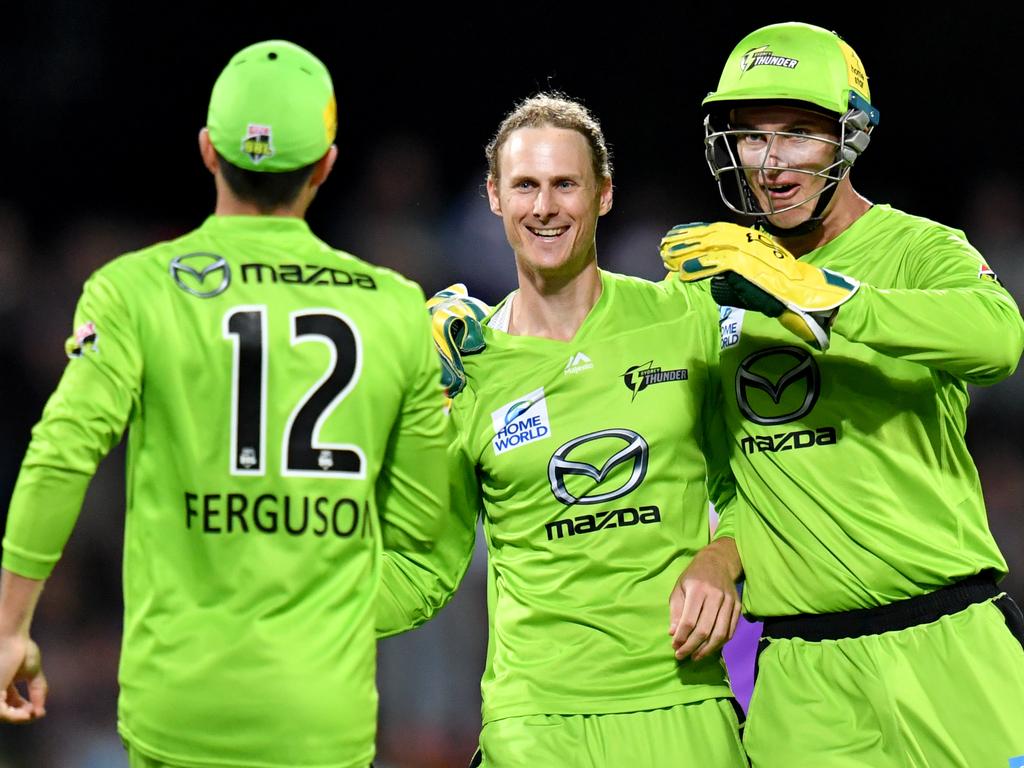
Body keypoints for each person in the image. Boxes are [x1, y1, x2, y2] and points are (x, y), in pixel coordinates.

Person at [0, 40, 448, 768]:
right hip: (318, 716)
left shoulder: (133, 289)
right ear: (327, 165)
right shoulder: (396, 309)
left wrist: (11, 628)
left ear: (209, 151)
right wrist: (325, 611)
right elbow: (428, 534)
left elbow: (60, 451)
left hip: (177, 707)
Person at [659, 21, 1024, 766]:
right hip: (804, 678)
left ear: (850, 138)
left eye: (798, 133)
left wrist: (818, 296)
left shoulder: (920, 248)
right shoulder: (709, 280)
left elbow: (998, 341)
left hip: (949, 642)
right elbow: (724, 472)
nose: (770, 161)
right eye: (750, 136)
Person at [377, 93, 747, 767]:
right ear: (494, 198)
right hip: (535, 725)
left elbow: (759, 480)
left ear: (604, 194)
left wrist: (724, 558)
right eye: (525, 185)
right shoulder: (466, 367)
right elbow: (427, 567)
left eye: (564, 184)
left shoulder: (685, 320)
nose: (544, 207)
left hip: (683, 707)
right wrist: (297, 598)